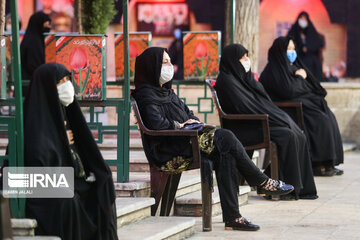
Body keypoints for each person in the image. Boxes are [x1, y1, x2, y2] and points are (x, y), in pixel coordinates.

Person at [132, 47, 294, 231]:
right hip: (168, 150)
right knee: (226, 137)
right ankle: (262, 181)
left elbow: (189, 113)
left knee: (226, 154)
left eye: (170, 61)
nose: (170, 66)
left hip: (185, 142)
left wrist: (192, 122)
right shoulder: (145, 95)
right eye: (164, 62)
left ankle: (234, 218)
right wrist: (181, 126)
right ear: (151, 67)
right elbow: (156, 125)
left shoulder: (168, 93)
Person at [24, 63, 118, 240]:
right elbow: (38, 161)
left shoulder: (65, 112)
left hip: (66, 179)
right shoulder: (33, 118)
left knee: (103, 185)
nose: (67, 86)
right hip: (37, 184)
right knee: (69, 201)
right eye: (61, 82)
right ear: (47, 86)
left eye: (68, 79)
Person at [214, 44, 318, 200]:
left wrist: (277, 117)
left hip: (258, 123)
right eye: (243, 58)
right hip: (245, 127)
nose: (247, 60)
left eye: (247, 56)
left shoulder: (245, 78)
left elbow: (263, 101)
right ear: (232, 60)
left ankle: (300, 188)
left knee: (298, 134)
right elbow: (244, 107)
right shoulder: (227, 81)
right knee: (287, 135)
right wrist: (272, 118)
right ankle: (283, 188)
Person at [259, 36, 344, 176]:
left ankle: (328, 162)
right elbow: (289, 90)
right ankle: (317, 163)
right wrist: (299, 78)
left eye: (293, 49)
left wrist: (302, 77)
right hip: (288, 109)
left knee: (328, 114)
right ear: (280, 51)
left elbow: (313, 87)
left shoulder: (294, 67)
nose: (292, 52)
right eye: (288, 49)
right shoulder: (273, 70)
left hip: (302, 105)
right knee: (320, 119)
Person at [287, 11, 325, 81]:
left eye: (305, 19)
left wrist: (308, 48)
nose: (303, 21)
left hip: (311, 58)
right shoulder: (293, 31)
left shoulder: (312, 32)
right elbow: (289, 43)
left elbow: (317, 44)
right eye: (301, 18)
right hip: (298, 57)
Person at [20, 11, 51, 95]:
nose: (49, 27)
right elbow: (34, 65)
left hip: (29, 86)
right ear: (39, 24)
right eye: (47, 24)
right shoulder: (34, 42)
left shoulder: (32, 38)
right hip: (31, 88)